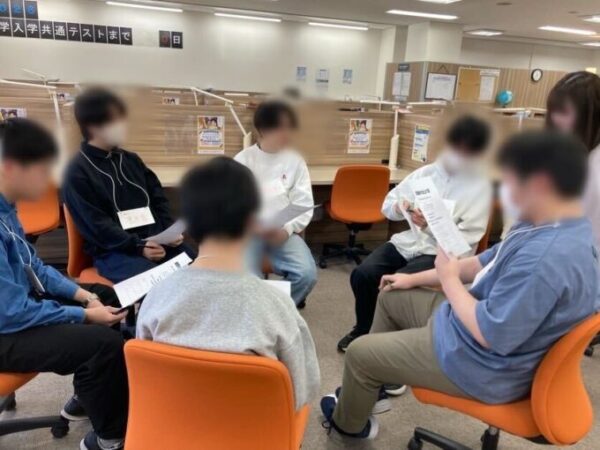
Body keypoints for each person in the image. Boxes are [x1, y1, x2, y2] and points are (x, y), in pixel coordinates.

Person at [321, 130, 598, 440]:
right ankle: (372, 388)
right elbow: (479, 264)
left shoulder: (544, 259)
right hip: (475, 327)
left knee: (359, 354)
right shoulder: (550, 224)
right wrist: (412, 278)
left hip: (482, 363)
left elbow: (490, 334)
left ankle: (349, 426)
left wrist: (449, 280)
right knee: (390, 294)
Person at [137, 157, 320, 410]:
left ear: (187, 224)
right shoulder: (279, 308)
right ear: (254, 222)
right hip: (253, 426)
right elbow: (303, 392)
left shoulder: (156, 297)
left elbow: (147, 379)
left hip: (175, 420)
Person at [0, 118, 129, 450]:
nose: (51, 179)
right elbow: (11, 313)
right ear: (11, 167)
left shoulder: (7, 209)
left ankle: (90, 393)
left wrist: (84, 296)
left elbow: (35, 268)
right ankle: (111, 439)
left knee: (106, 296)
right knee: (104, 344)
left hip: (14, 310)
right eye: (44, 168)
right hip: (5, 329)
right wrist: (83, 316)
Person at [337, 115, 492, 353]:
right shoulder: (426, 173)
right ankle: (363, 329)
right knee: (363, 274)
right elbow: (387, 205)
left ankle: (389, 344)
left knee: (393, 285)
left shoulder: (479, 187)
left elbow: (463, 244)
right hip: (409, 243)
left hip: (442, 254)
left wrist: (429, 226)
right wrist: (402, 208)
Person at [62, 88, 195, 283]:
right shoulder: (76, 171)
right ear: (93, 125)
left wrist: (169, 232)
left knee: (199, 270)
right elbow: (97, 226)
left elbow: (158, 198)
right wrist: (139, 247)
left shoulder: (131, 160)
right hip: (115, 251)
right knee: (160, 284)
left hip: (156, 242)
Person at [234, 100, 317, 308]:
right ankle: (260, 314)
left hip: (282, 232)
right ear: (262, 130)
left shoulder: (295, 161)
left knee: (306, 275)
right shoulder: (242, 161)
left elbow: (303, 204)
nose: (286, 133)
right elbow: (231, 205)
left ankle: (275, 311)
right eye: (280, 127)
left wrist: (287, 230)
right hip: (249, 233)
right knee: (247, 280)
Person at [546, 71, 600, 310]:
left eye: (563, 112)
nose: (554, 120)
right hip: (565, 267)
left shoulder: (591, 170)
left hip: (573, 278)